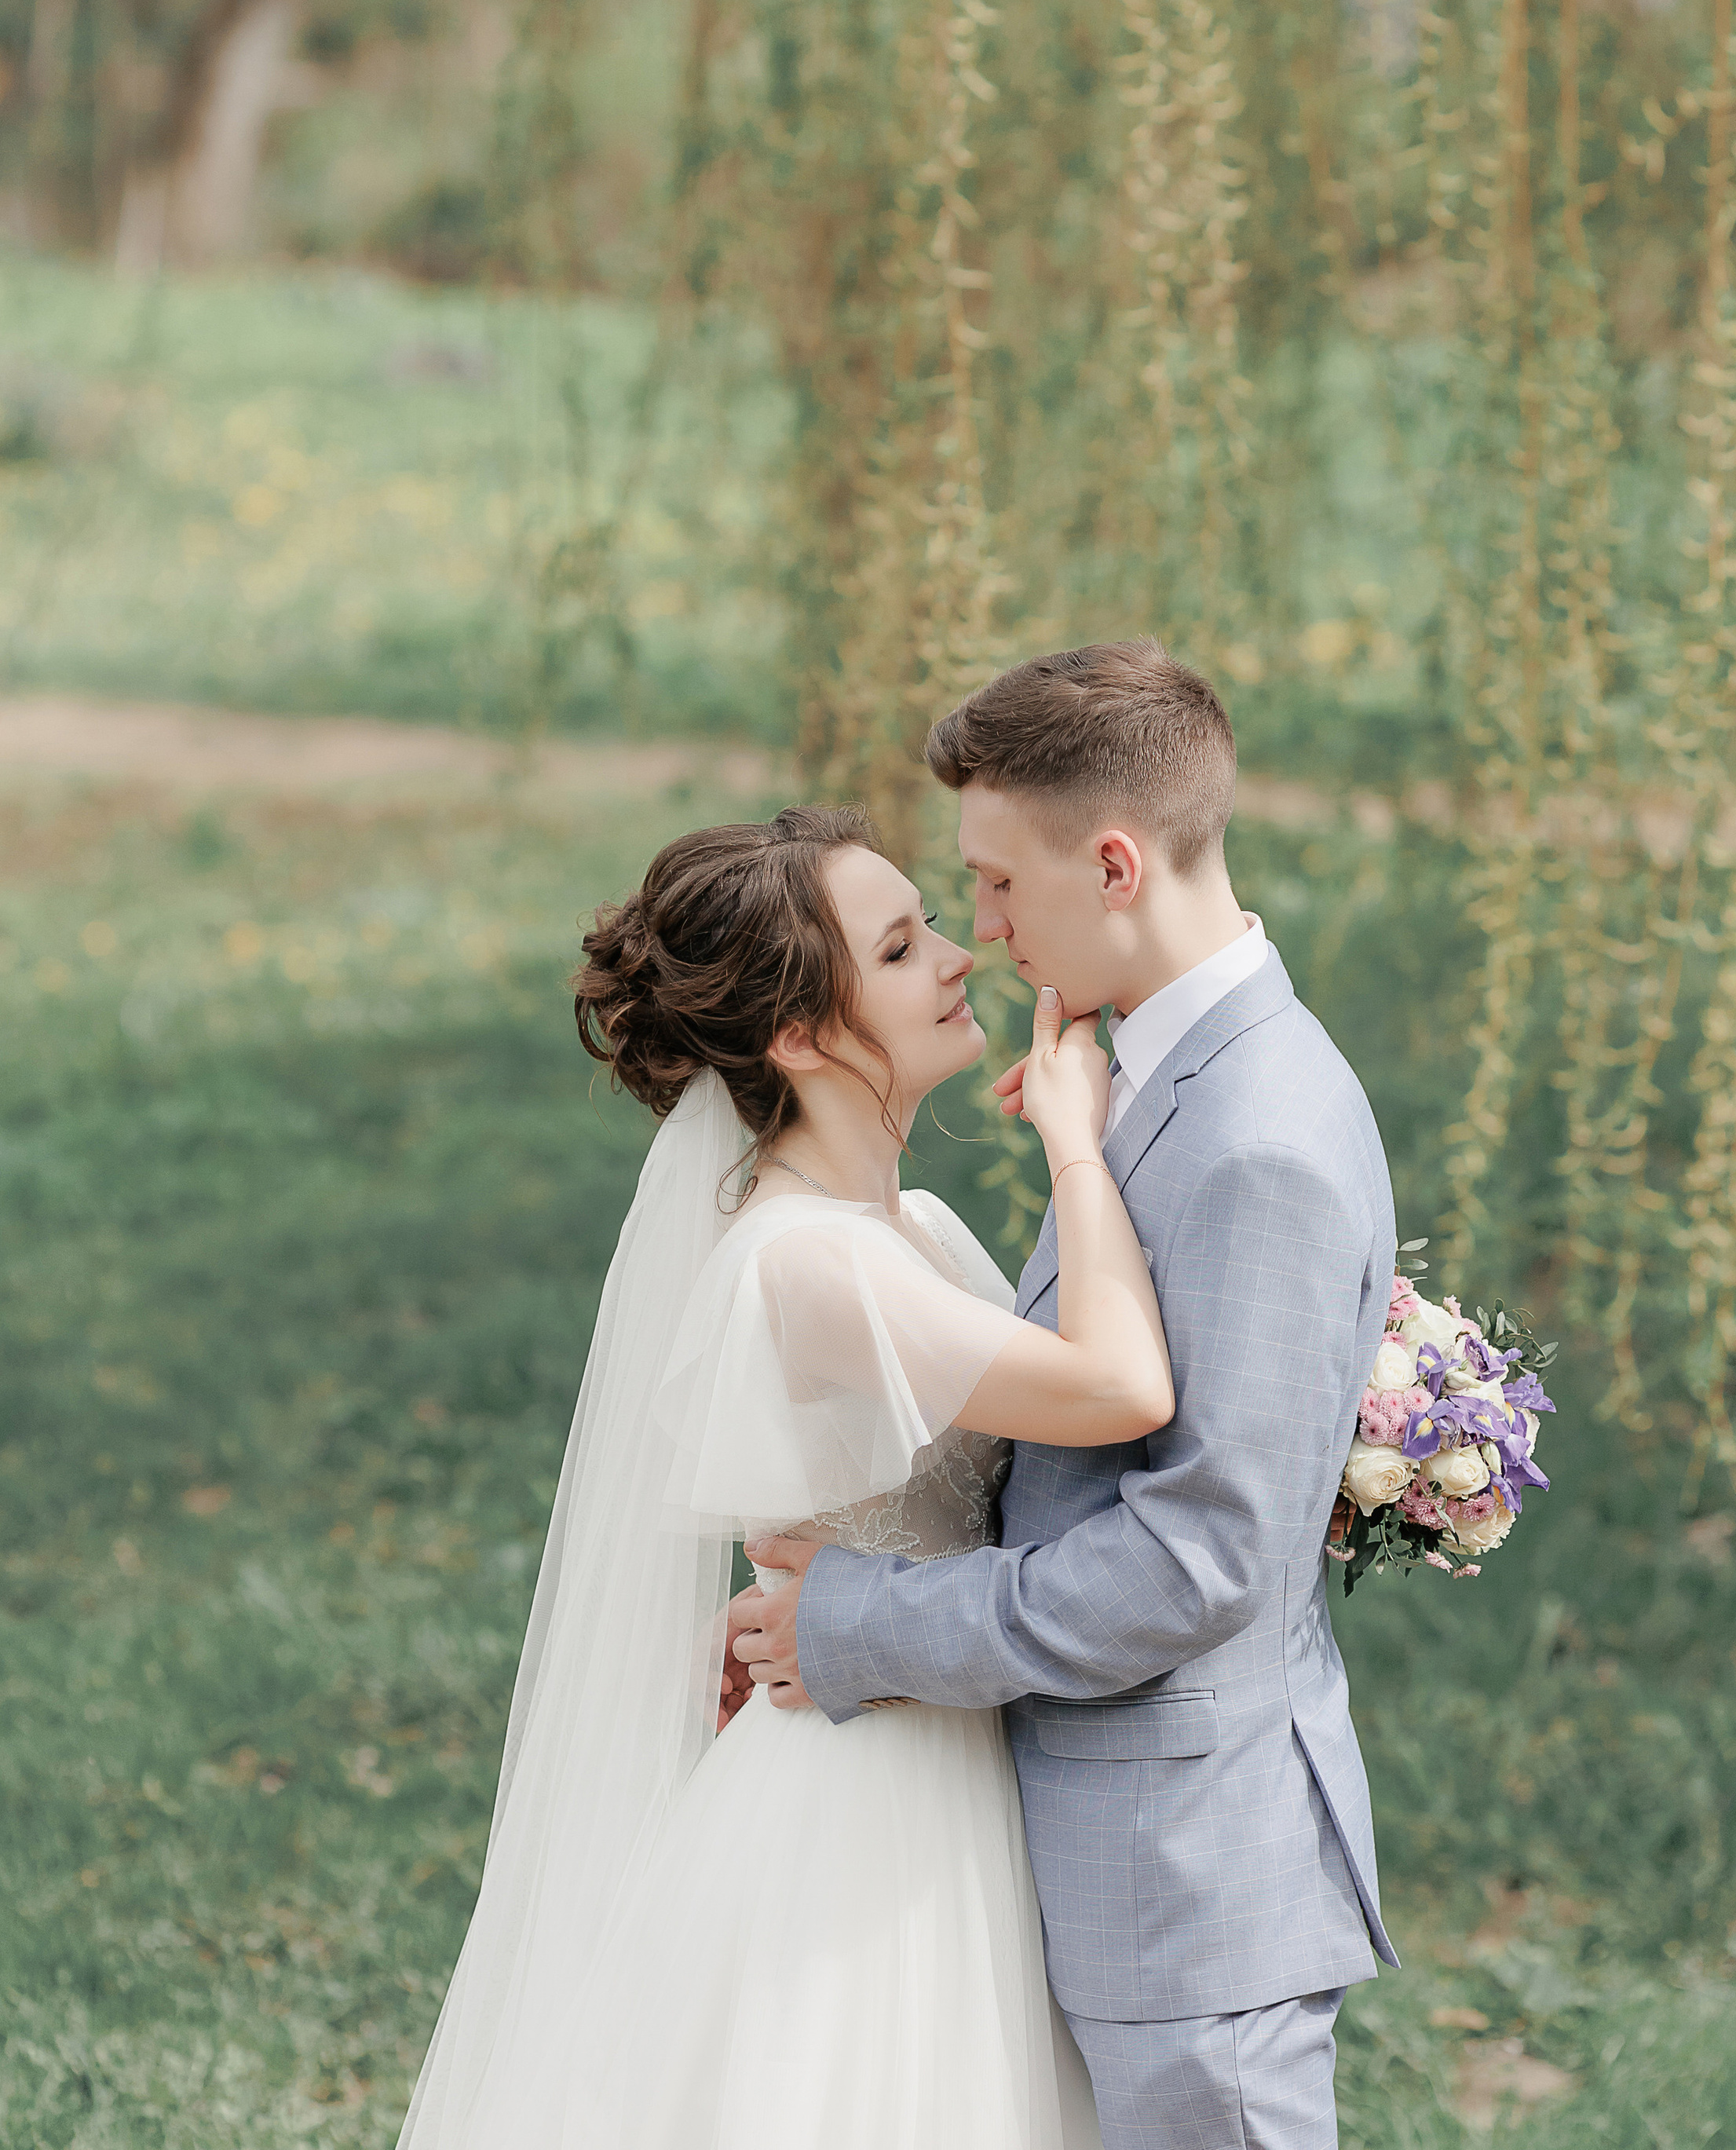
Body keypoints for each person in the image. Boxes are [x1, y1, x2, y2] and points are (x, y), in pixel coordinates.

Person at [394, 799, 1169, 2150]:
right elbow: (1118, 1392)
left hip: (932, 1718)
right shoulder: (812, 1262)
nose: (955, 955)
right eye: (898, 946)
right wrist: (1077, 1144)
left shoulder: (905, 1231)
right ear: (800, 1039)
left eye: (933, 919)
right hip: (872, 1795)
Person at [733, 639, 1401, 2150]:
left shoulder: (1258, 1138)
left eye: (993, 883)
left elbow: (1202, 1559)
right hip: (1116, 1862)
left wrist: (860, 1620)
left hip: (1190, 1888)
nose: (977, 929)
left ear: (1111, 865)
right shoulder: (1146, 1074)